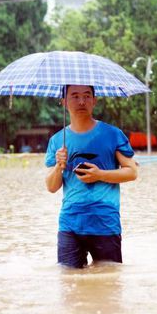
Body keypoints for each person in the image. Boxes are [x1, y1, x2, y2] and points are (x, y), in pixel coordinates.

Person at [45, 85, 138, 268]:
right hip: (70, 222)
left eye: (87, 96)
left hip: (105, 221)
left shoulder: (112, 134)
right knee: (69, 283)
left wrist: (100, 174)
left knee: (108, 283)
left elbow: (132, 171)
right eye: (74, 96)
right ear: (63, 101)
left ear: (94, 101)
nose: (81, 101)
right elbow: (51, 187)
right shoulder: (57, 141)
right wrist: (58, 166)